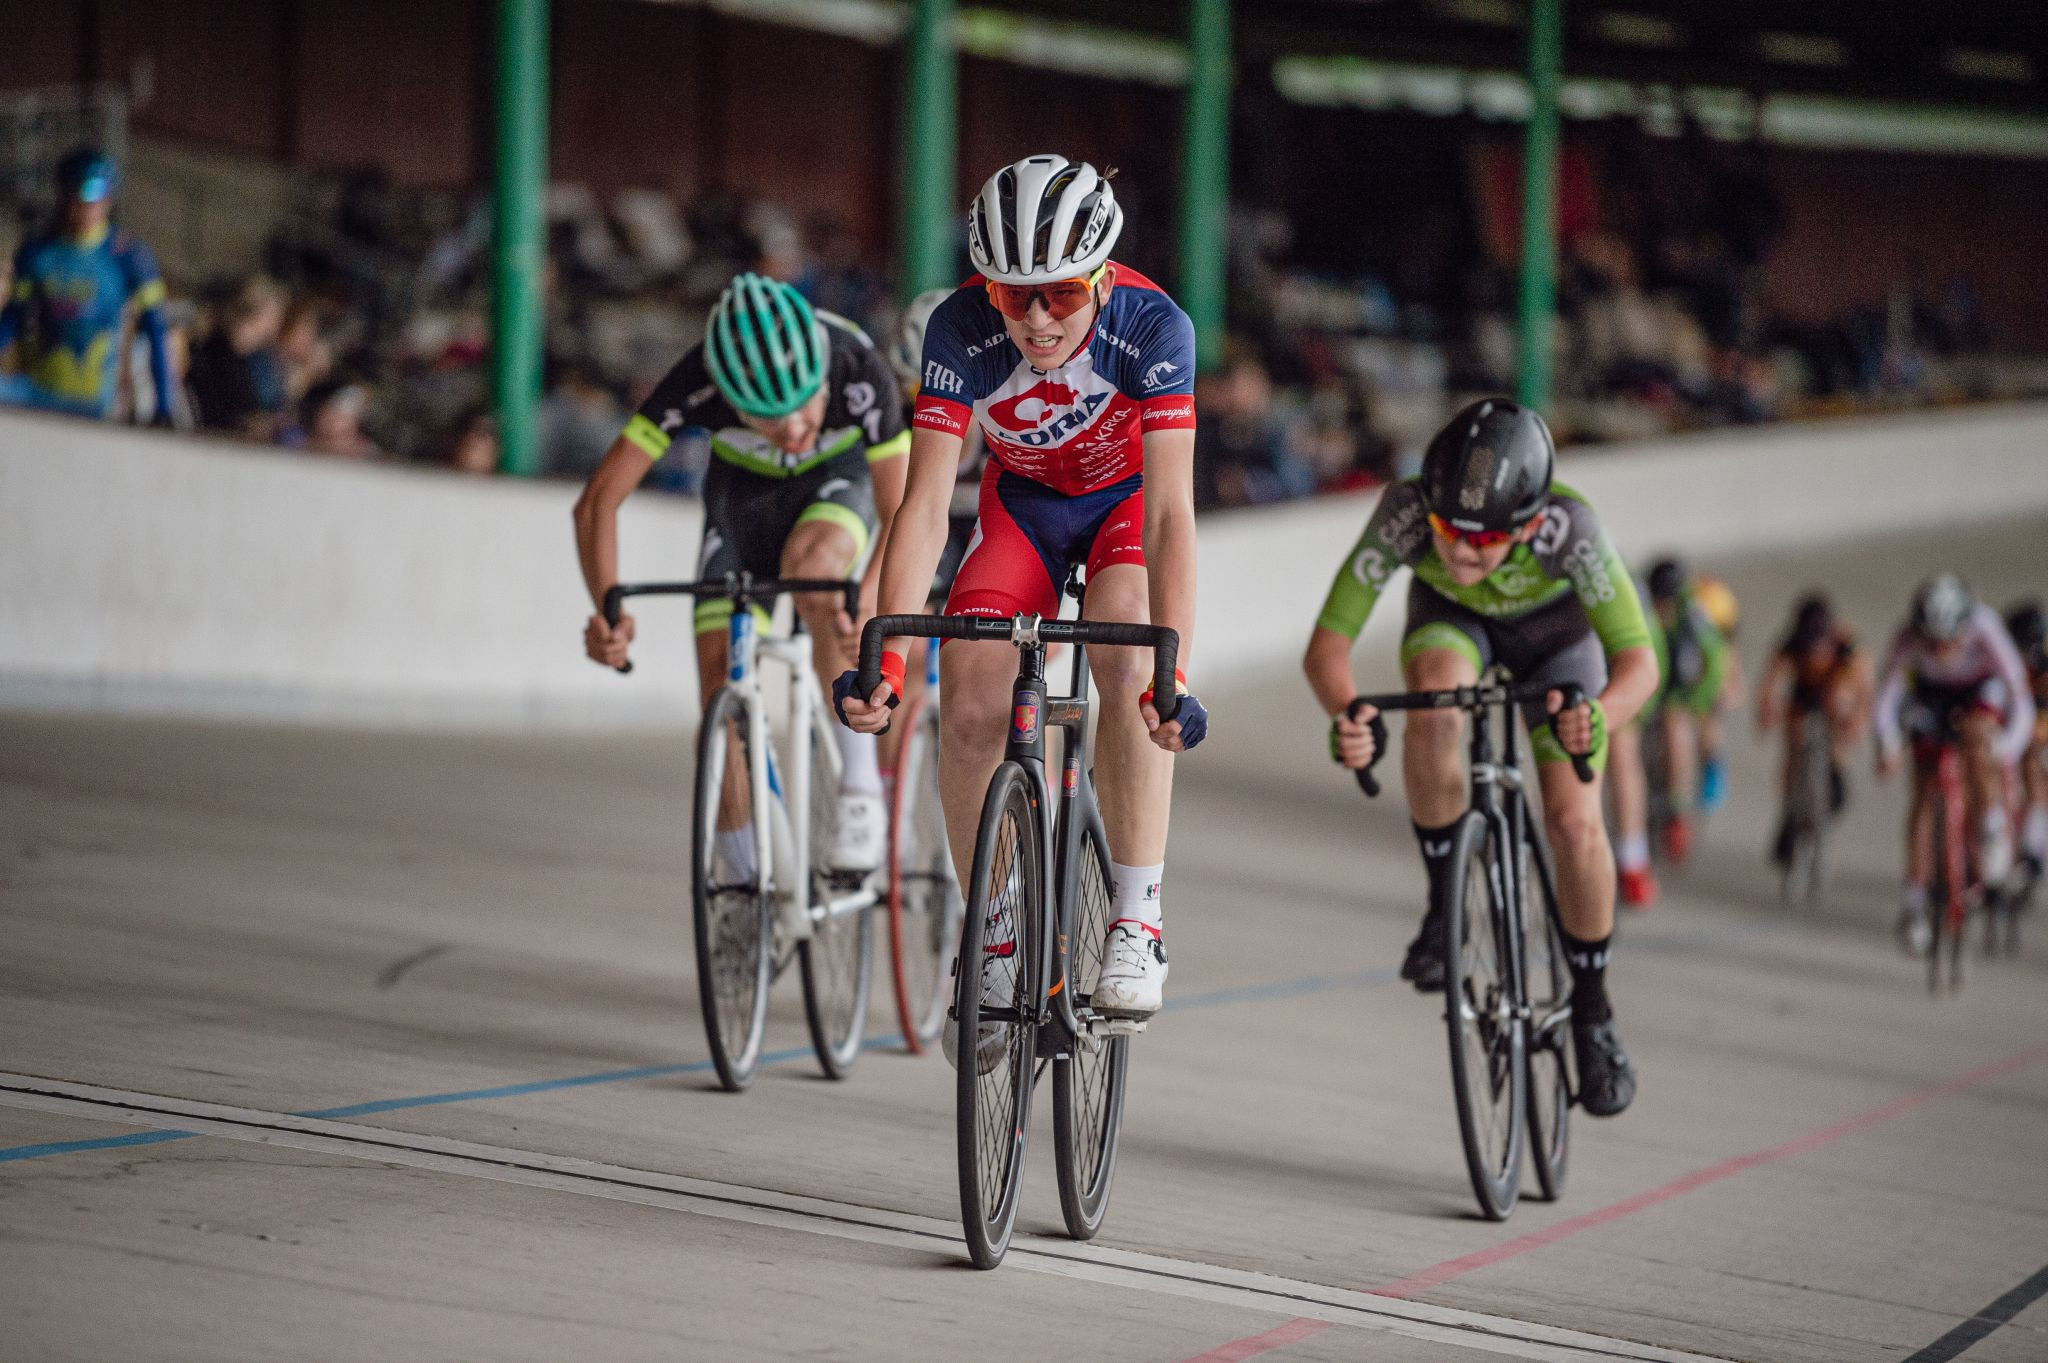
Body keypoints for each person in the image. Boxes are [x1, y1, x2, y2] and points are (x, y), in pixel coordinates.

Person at [837, 154, 1210, 1066]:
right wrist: (886, 656)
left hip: (1124, 508)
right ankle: (994, 929)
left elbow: (1170, 516)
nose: (1038, 318)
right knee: (968, 691)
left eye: (1061, 294)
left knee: (1129, 664)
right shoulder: (960, 328)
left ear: (1101, 278)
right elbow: (924, 505)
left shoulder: (1155, 325)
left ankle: (1137, 916)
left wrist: (1175, 671)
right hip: (1026, 511)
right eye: (1013, 296)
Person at [1303, 400, 1659, 1117]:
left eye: (1487, 540)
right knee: (1435, 707)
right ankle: (1445, 908)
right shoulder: (1407, 509)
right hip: (1452, 625)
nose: (1462, 556)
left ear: (1528, 525)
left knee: (1574, 823)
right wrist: (1349, 713)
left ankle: (1592, 1010)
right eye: (1447, 534)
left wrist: (1597, 716)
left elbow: (1639, 664)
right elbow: (1328, 645)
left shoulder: (1571, 529)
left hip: (1558, 642)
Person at [575, 272, 908, 875]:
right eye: (769, 420)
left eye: (805, 406)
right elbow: (598, 501)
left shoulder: (855, 363)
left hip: (838, 484)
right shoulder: (697, 376)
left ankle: (860, 789)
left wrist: (868, 596)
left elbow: (903, 512)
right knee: (716, 695)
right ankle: (746, 884)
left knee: (820, 579)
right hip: (742, 505)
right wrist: (607, 610)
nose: (795, 431)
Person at [1874, 576, 2036, 954]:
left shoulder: (1986, 627)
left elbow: (2019, 699)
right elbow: (1887, 698)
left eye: (1949, 640)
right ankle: (1914, 901)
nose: (1941, 650)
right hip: (1930, 696)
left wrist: (2005, 749)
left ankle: (1991, 826)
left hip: (1978, 692)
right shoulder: (1906, 638)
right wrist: (1889, 744)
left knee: (1980, 741)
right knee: (1922, 795)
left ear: (1966, 627)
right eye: (1931, 642)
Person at [0, 148, 174, 424]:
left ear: (108, 200)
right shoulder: (36, 251)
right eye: (74, 195)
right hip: (39, 392)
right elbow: (12, 319)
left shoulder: (128, 256)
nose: (84, 206)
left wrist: (164, 406)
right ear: (62, 197)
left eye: (94, 195)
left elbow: (156, 330)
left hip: (95, 403)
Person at [1755, 592, 1874, 865]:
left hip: (1835, 691)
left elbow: (1864, 688)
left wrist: (1856, 720)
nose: (1814, 654)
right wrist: (1767, 710)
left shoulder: (1848, 644)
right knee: (1793, 740)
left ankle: (1836, 769)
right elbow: (1771, 682)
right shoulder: (1790, 643)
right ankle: (1789, 809)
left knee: (1839, 704)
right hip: (1804, 694)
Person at [1644, 558, 1732, 863]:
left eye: (1668, 602)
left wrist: (1699, 702)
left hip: (1686, 682)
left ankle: (1679, 809)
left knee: (1676, 725)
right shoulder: (1644, 610)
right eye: (1659, 602)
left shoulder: (1695, 614)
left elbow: (1715, 659)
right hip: (1658, 676)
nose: (1663, 609)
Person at [1999, 600, 2047, 894]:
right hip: (2021, 714)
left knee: (2033, 764)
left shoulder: (2042, 660)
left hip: (2039, 719)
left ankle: (2033, 844)